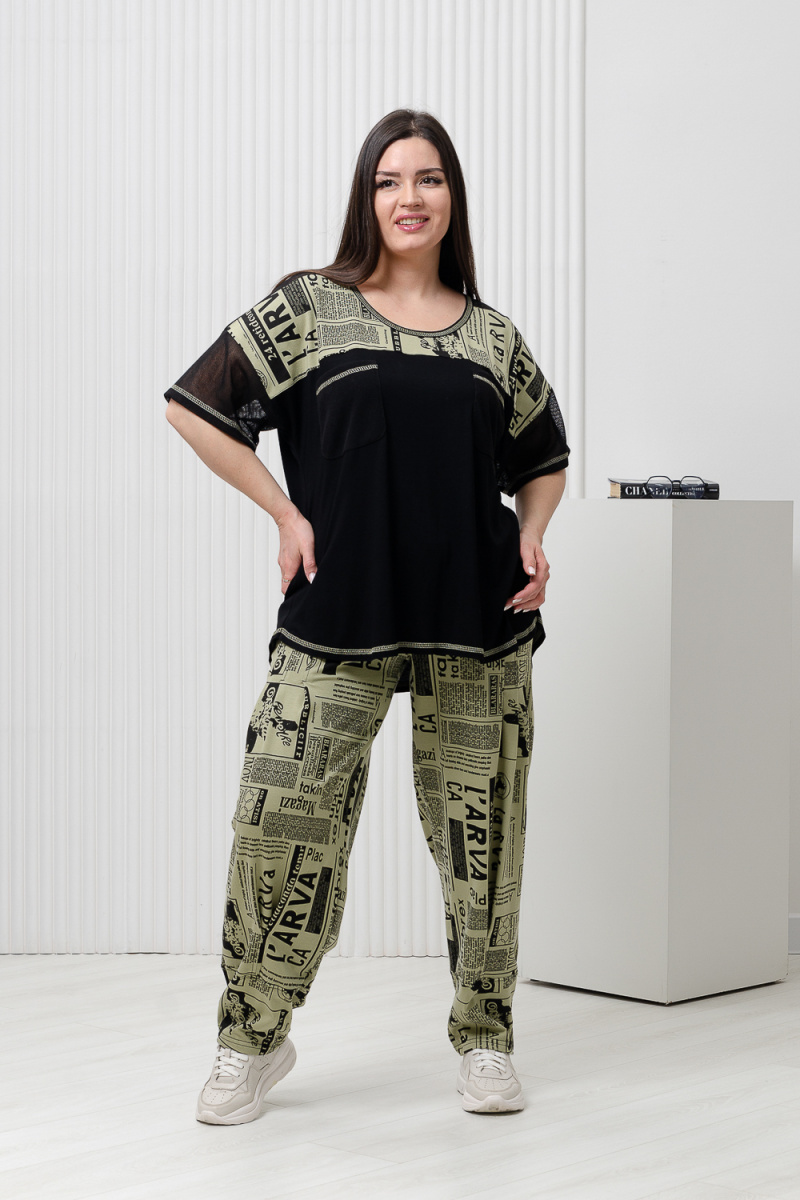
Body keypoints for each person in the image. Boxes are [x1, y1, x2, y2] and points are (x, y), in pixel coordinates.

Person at [164, 108, 569, 1122]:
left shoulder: (491, 336)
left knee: (485, 844)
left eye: (428, 179)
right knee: (280, 822)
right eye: (390, 181)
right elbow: (193, 407)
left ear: (451, 197)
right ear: (366, 196)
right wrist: (284, 512)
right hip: (337, 613)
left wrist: (531, 534)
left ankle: (485, 1036)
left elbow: (544, 457)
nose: (409, 198)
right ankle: (250, 1040)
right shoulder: (310, 307)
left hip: (477, 619)